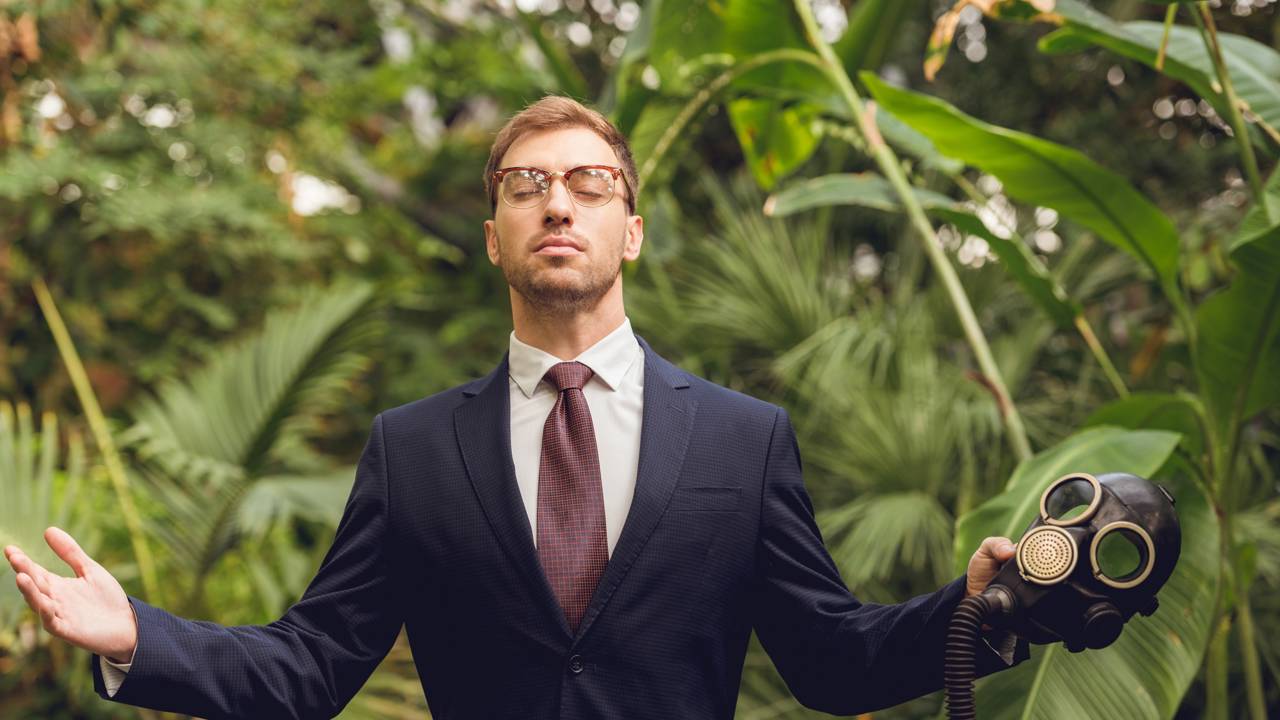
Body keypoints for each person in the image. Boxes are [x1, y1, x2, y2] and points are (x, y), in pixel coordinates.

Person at [5, 96, 1027, 719]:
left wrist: (980, 610)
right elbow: (311, 666)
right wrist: (137, 635)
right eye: (526, 184)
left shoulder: (742, 440)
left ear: (631, 230)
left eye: (590, 183)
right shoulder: (412, 449)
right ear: (494, 234)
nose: (558, 203)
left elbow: (832, 660)